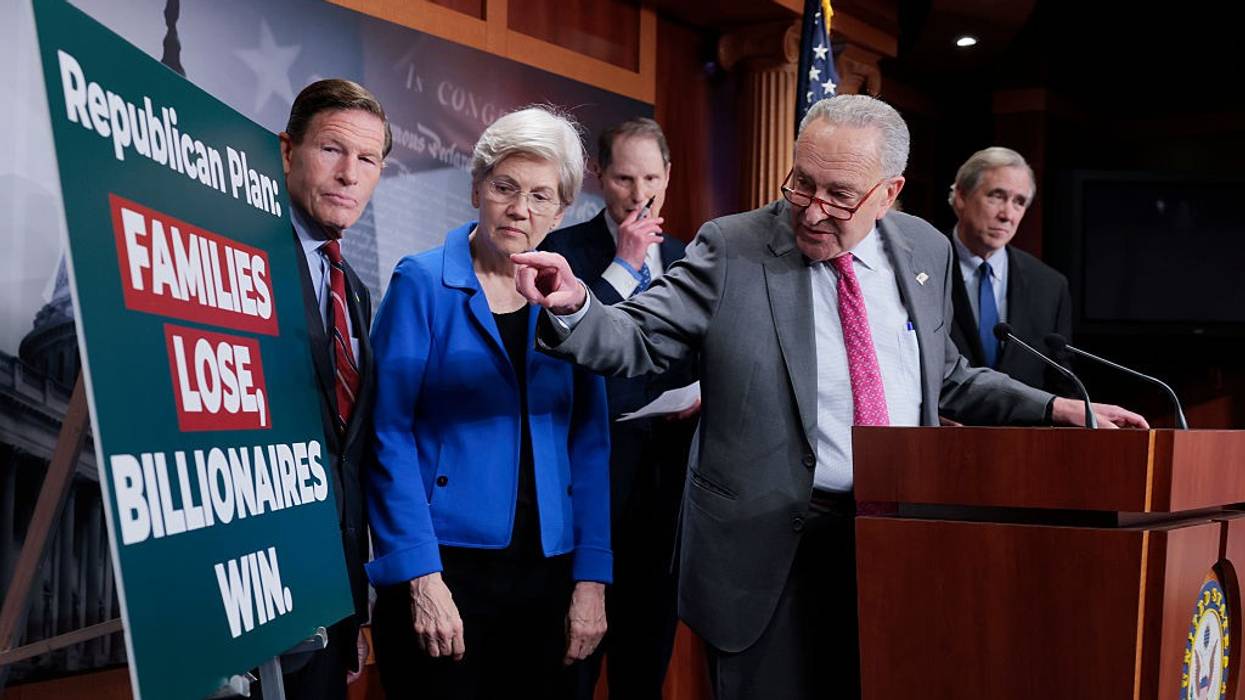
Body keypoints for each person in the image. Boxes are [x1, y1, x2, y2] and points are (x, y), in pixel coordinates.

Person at [511, 94, 1148, 700]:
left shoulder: (924, 249)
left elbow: (945, 376)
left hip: (893, 539)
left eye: (839, 195)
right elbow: (641, 337)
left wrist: (1061, 409)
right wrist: (576, 306)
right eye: (801, 183)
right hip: (767, 550)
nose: (812, 210)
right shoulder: (733, 247)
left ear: (889, 193)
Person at [365, 106, 612, 699]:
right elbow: (387, 433)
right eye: (505, 187)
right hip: (447, 571)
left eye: (540, 196)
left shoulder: (572, 298)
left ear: (562, 210)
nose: (520, 209)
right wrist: (421, 577)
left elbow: (591, 442)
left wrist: (592, 579)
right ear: (477, 187)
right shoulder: (421, 282)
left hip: (552, 573)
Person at [541, 117, 695, 699]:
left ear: (668, 175)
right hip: (593, 484)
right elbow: (561, 356)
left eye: (652, 178)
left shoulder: (686, 257)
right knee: (574, 665)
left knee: (646, 659)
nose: (640, 195)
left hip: (666, 488)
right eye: (625, 178)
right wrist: (625, 264)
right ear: (599, 176)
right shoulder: (563, 250)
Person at [277, 77, 388, 700]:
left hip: (330, 595)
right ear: (287, 151)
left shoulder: (356, 289)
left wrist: (355, 608)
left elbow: (349, 456)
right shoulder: (233, 259)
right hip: (252, 591)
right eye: (331, 150)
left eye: (368, 159)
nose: (350, 174)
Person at [947, 146, 1073, 393]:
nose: (1008, 215)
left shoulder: (1049, 285)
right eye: (996, 196)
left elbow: (1062, 383)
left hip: (1024, 431)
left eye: (1019, 202)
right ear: (961, 196)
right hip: (942, 428)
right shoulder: (923, 267)